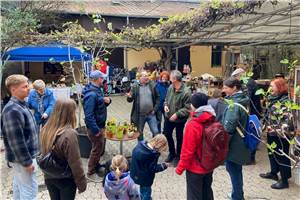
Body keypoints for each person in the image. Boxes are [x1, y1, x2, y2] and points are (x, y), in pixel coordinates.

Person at [40, 99, 87, 199]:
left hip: (49, 176)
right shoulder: (69, 134)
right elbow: (75, 162)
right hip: (65, 179)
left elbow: (44, 153)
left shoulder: (46, 129)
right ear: (70, 114)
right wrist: (82, 183)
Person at [2, 74, 39, 199]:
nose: (29, 88)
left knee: (19, 187)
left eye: (28, 85)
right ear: (13, 89)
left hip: (23, 158)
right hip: (23, 159)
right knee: (30, 191)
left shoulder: (21, 104)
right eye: (24, 87)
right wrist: (27, 162)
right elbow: (16, 141)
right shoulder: (12, 110)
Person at [176, 93, 215, 200]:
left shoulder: (193, 124)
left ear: (194, 105)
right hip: (208, 164)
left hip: (195, 167)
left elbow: (187, 150)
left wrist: (180, 168)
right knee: (207, 192)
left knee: (194, 196)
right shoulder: (212, 117)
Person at [259, 78, 292, 189]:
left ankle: (284, 180)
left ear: (280, 87)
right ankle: (274, 173)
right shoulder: (273, 98)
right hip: (271, 131)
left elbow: (286, 121)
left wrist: (275, 129)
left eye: (272, 86)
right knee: (271, 153)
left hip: (281, 134)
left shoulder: (285, 100)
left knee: (281, 155)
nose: (270, 88)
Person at [222, 78, 251, 200]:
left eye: (226, 87)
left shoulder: (234, 104)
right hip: (240, 141)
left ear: (234, 88)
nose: (223, 89)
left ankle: (237, 196)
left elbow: (229, 127)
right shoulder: (242, 100)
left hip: (234, 143)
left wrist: (222, 144)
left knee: (233, 169)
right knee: (237, 170)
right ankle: (237, 194)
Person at [82, 70, 112, 180]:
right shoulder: (91, 94)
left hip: (99, 125)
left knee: (99, 149)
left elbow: (99, 107)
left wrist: (107, 101)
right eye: (101, 78)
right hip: (95, 128)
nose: (103, 80)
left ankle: (96, 165)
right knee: (96, 150)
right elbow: (89, 115)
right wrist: (96, 130)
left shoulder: (97, 90)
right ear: (96, 79)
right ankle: (90, 172)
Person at [232, 68, 262, 164]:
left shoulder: (247, 84)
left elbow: (246, 100)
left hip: (251, 113)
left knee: (250, 134)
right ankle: (250, 157)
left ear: (240, 76)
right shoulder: (250, 82)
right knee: (251, 134)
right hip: (254, 112)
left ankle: (250, 158)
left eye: (235, 78)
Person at [163, 70, 191, 164]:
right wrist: (166, 105)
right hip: (168, 117)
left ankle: (178, 156)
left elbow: (188, 108)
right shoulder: (171, 87)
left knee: (179, 137)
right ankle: (172, 153)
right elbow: (166, 99)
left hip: (180, 119)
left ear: (175, 79)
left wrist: (177, 114)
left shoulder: (186, 92)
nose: (169, 78)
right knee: (167, 133)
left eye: (170, 77)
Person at [130, 134, 168, 200]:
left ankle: (142, 197)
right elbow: (153, 168)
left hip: (136, 174)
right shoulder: (152, 155)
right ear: (159, 145)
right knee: (146, 192)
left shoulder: (140, 145)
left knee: (142, 190)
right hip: (146, 179)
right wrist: (163, 166)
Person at [126, 70, 160, 141]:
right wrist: (129, 97)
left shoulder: (152, 85)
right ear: (140, 78)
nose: (147, 77)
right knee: (139, 133)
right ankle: (142, 148)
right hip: (140, 115)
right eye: (145, 76)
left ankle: (154, 148)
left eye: (147, 75)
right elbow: (130, 100)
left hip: (151, 114)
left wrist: (154, 110)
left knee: (156, 132)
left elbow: (158, 98)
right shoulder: (135, 87)